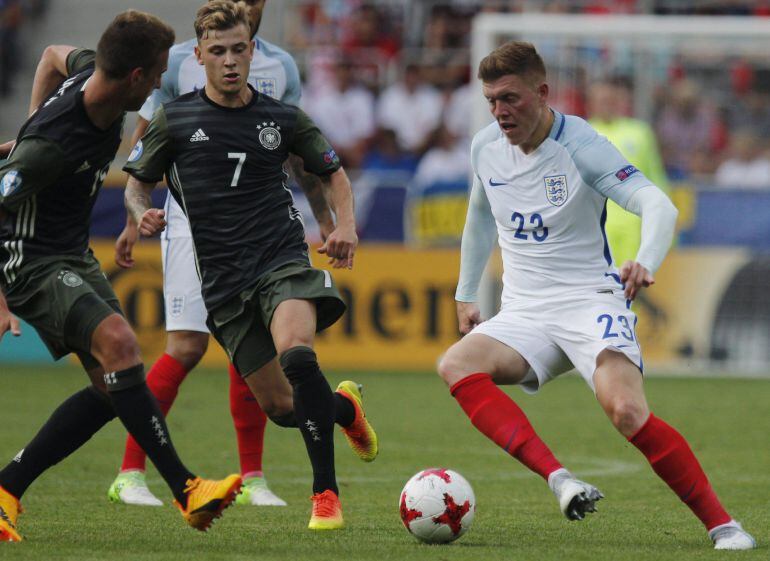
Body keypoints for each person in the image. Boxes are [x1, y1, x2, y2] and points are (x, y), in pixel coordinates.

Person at [437, 41, 756, 551]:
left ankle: (724, 525)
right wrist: (466, 291)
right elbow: (479, 215)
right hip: (525, 312)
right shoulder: (485, 147)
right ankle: (561, 480)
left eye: (511, 98)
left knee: (627, 411)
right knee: (455, 365)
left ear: (542, 93)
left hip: (590, 302)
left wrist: (646, 260)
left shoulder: (581, 145)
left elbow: (659, 206)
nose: (500, 111)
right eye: (492, 99)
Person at [122, 0, 376, 531]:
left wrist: (343, 225)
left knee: (298, 356)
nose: (231, 61)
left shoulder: (281, 116)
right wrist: (140, 213)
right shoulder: (176, 117)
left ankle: (325, 496)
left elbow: (330, 172)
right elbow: (136, 182)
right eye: (219, 52)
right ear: (199, 56)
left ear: (252, 50)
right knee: (285, 409)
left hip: (281, 260)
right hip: (223, 283)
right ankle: (345, 410)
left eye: (240, 49)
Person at [0, 11, 243, 543]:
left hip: (70, 253)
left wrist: (24, 129)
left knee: (114, 390)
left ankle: (6, 488)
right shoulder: (52, 147)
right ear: (134, 76)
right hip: (31, 261)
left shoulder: (92, 71)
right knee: (121, 345)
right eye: (156, 73)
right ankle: (187, 490)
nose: (160, 82)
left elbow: (48, 55)